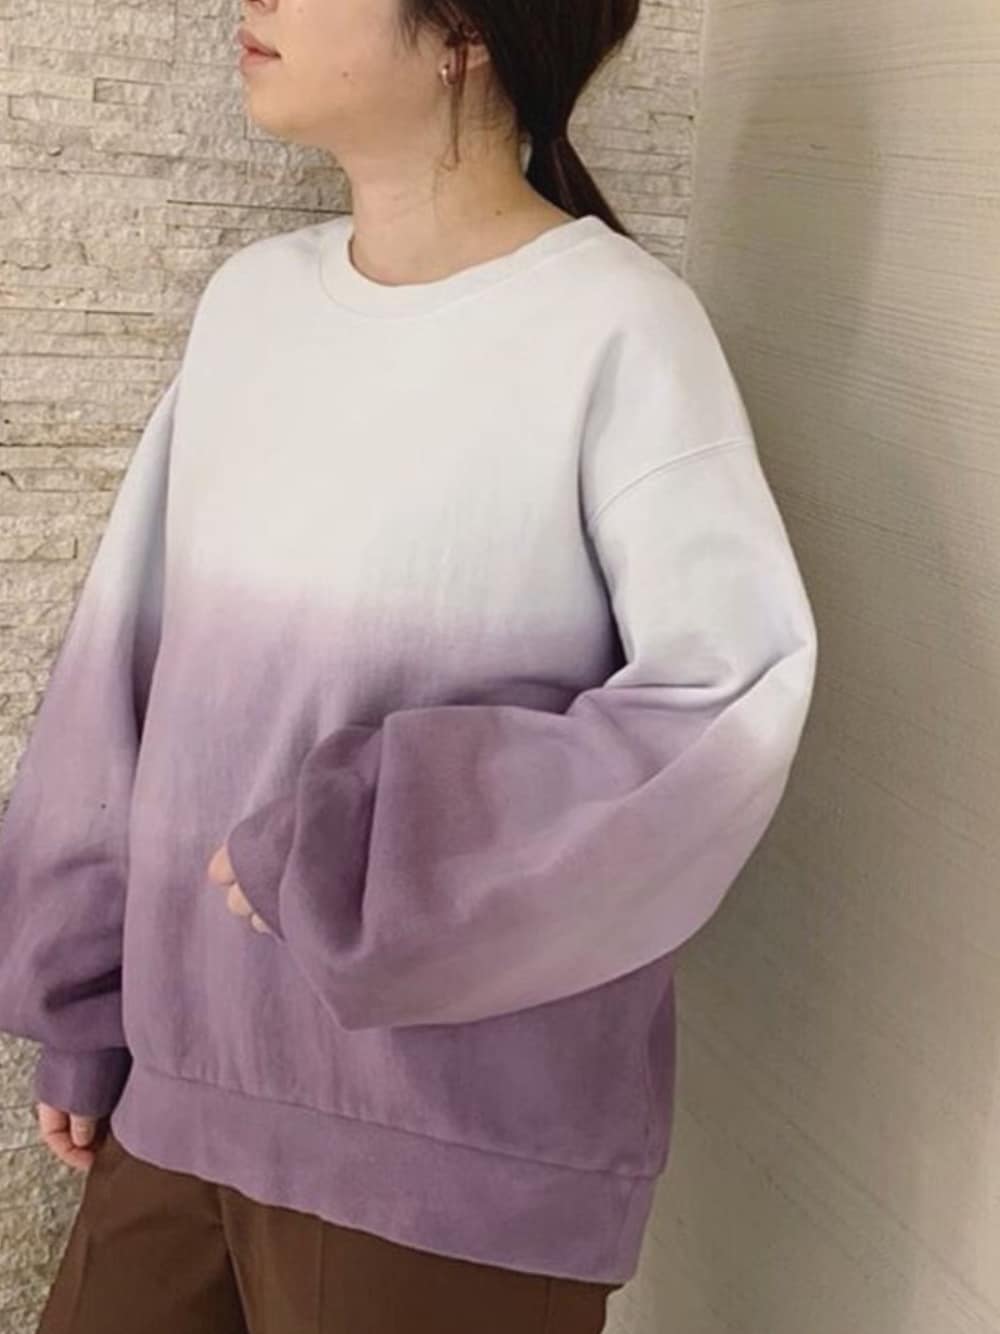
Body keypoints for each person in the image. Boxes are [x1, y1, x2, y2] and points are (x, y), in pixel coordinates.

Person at [0, 0, 819, 1329]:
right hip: (181, 1096)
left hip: (445, 1154)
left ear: (466, 31)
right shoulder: (253, 308)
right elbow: (125, 674)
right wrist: (84, 1004)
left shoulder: (617, 328)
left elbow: (726, 710)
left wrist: (361, 839)